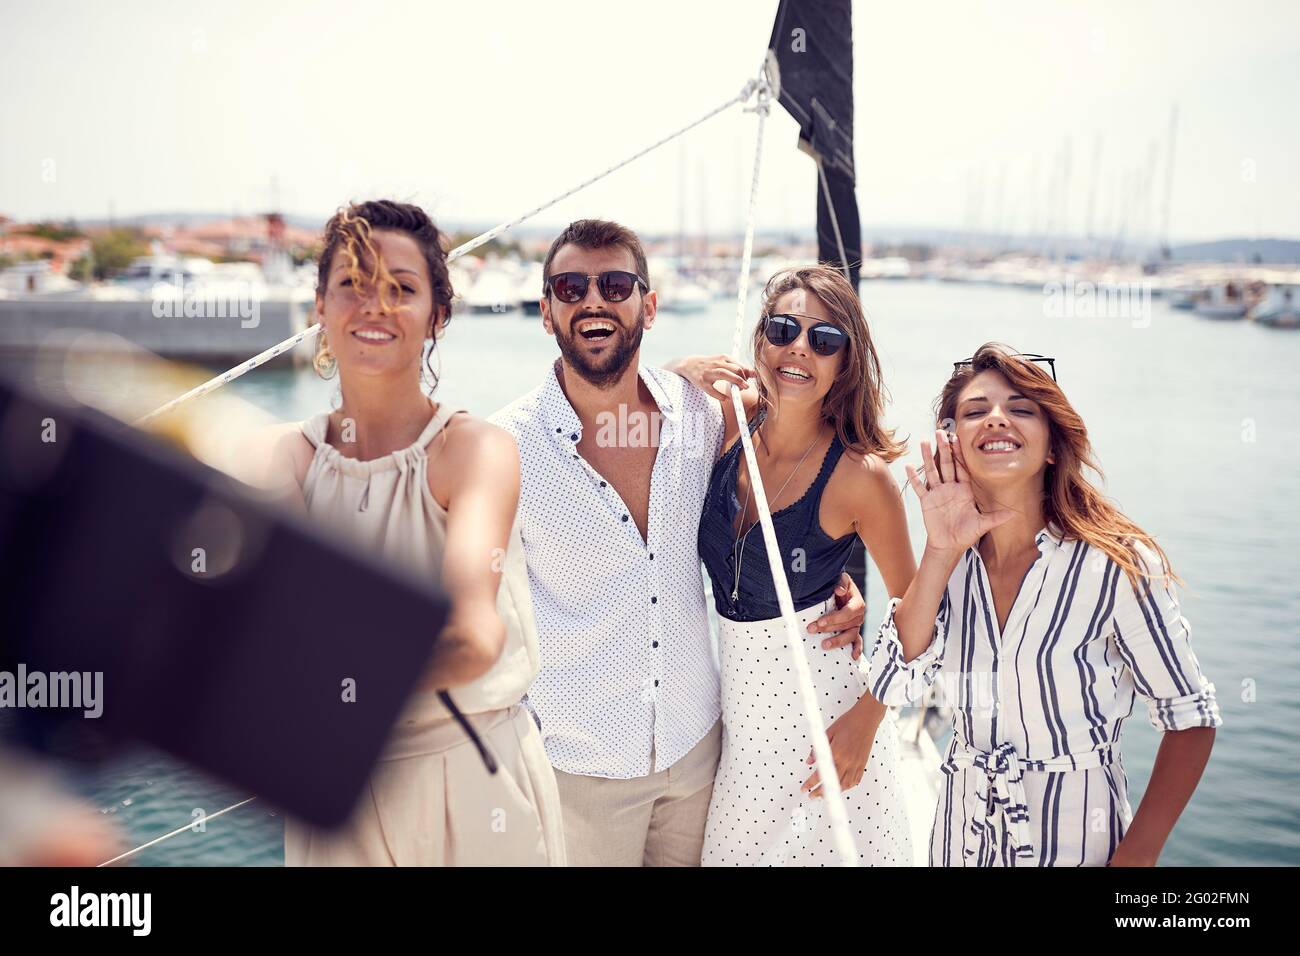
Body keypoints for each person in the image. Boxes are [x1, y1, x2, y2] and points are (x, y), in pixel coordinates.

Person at [490, 221, 869, 866]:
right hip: (576, 768)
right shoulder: (504, 448)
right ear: (547, 311)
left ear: (649, 306)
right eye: (571, 287)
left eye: (616, 286)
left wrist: (824, 582)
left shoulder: (703, 414)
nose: (594, 301)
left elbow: (789, 473)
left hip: (698, 752)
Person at [245, 200, 564, 866]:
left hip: (470, 775)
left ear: (437, 316)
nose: (375, 305)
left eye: (402, 288)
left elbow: (472, 637)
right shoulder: (283, 458)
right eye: (352, 284)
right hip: (335, 788)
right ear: (320, 306)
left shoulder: (473, 451)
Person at [866, 343, 1220, 866]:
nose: (996, 418)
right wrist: (939, 550)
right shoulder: (951, 562)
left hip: (1079, 843)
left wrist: (1138, 855)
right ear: (953, 445)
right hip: (960, 840)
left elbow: (1190, 718)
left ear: (1053, 447)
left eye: (1021, 409)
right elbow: (894, 686)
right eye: (975, 411)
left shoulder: (1115, 566)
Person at [669, 265, 916, 865]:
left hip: (829, 724)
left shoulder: (860, 476)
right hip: (741, 734)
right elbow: (629, 406)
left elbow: (919, 612)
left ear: (845, 361)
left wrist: (869, 717)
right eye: (783, 330)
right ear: (761, 340)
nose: (799, 348)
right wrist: (679, 370)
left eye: (824, 339)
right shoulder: (730, 419)